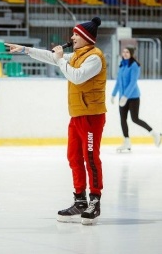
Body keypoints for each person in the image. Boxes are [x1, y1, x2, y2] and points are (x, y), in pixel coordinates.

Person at [6, 17, 106, 225]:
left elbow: (76, 77)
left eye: (76, 34)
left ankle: (94, 201)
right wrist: (25, 49)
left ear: (86, 37)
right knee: (74, 157)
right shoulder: (77, 55)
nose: (72, 37)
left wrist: (61, 59)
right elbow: (52, 57)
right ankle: (80, 200)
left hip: (92, 116)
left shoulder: (95, 58)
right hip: (77, 115)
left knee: (90, 157)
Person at [111, 46, 161, 152]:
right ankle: (127, 141)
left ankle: (155, 134)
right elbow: (118, 82)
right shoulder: (121, 66)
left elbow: (133, 83)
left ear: (131, 54)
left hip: (133, 97)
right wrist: (113, 94)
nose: (125, 54)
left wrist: (125, 96)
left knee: (135, 119)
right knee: (122, 119)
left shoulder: (134, 66)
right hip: (122, 97)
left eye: (127, 52)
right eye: (124, 52)